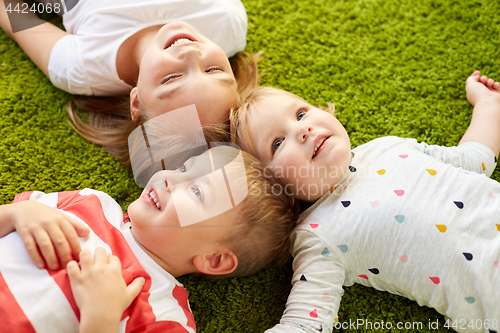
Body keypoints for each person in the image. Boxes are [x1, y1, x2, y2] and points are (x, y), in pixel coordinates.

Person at [230, 71, 500, 332]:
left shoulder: (387, 147)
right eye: (277, 143)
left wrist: (487, 104)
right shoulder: (316, 236)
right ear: (273, 188)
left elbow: (474, 159)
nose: (302, 129)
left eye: (301, 113)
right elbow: (306, 323)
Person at [0, 145, 299, 332]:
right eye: (184, 168)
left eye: (196, 191)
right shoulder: (92, 202)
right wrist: (19, 214)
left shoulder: (166, 317)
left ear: (214, 259)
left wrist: (100, 318)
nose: (170, 178)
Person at [0, 0, 259, 167]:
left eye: (171, 79)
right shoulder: (227, 21)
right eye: (214, 69)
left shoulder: (81, 67)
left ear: (136, 101)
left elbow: (15, 16)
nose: (190, 54)